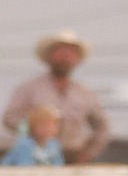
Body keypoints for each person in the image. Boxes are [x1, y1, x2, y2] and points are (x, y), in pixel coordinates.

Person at [3, 29, 109, 164]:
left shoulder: (85, 93)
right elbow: (10, 118)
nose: (65, 57)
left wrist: (89, 152)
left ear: (76, 59)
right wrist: (34, 130)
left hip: (74, 156)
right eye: (60, 52)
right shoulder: (29, 88)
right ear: (49, 56)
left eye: (70, 53)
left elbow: (102, 126)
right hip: (36, 156)